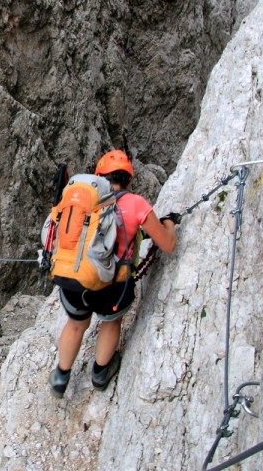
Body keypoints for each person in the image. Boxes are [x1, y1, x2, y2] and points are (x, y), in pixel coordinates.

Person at [49, 149, 178, 397]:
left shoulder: (81, 201)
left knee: (76, 324)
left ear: (97, 176)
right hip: (113, 287)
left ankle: (61, 377)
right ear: (129, 180)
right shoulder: (136, 204)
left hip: (76, 278)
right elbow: (168, 244)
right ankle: (99, 373)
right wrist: (169, 223)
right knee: (110, 322)